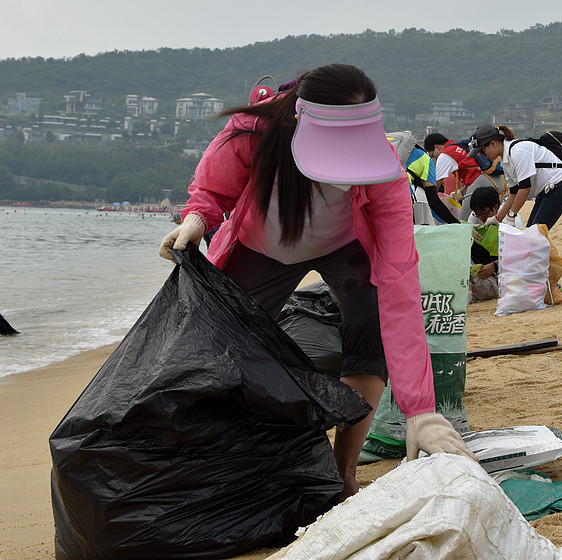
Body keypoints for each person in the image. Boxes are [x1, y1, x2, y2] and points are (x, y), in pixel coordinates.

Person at [158, 63, 474, 498]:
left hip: (344, 246)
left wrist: (420, 411)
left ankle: (342, 471)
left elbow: (399, 289)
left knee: (372, 332)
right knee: (221, 342)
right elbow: (214, 189)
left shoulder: (385, 177)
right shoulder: (254, 132)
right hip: (261, 246)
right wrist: (197, 219)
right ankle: (214, 460)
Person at [467, 124, 562, 229]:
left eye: (482, 151)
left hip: (560, 186)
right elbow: (514, 193)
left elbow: (525, 188)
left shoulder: (518, 151)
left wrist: (511, 216)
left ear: (493, 143)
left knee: (534, 235)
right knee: (531, 232)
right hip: (547, 191)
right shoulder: (505, 160)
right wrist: (497, 218)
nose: (482, 155)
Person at [464, 185, 501, 302]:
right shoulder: (475, 217)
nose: (481, 218)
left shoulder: (510, 219)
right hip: (484, 258)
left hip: (504, 259)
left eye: (484, 214)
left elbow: (519, 253)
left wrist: (495, 266)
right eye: (477, 214)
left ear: (495, 208)